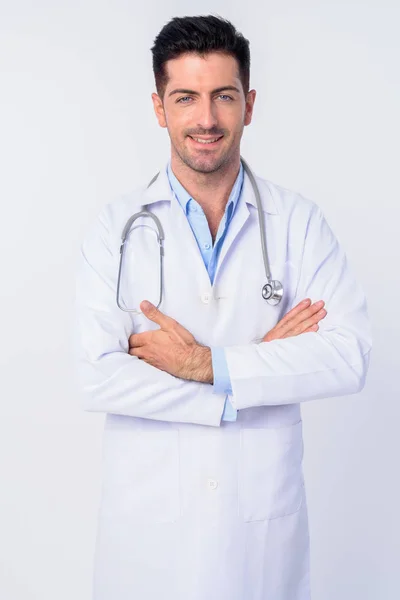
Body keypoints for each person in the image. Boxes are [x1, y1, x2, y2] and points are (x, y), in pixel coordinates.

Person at [74, 14, 372, 600]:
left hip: (259, 540)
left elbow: (350, 355)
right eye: (185, 98)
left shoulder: (299, 224)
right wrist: (247, 379)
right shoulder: (116, 229)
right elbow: (96, 376)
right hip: (149, 540)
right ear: (160, 108)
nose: (206, 119)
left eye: (223, 97)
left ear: (250, 103)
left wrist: (210, 365)